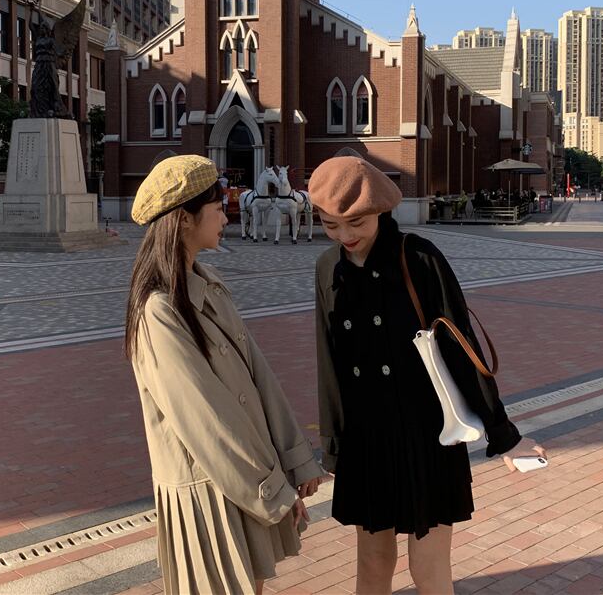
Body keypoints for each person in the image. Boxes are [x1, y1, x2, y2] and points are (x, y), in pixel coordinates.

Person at [308, 156, 546, 595]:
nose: (345, 236)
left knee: (429, 566)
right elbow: (330, 360)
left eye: (356, 222)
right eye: (330, 225)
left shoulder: (418, 257)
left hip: (425, 433)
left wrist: (504, 434)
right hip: (366, 437)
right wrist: (334, 447)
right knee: (372, 562)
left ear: (380, 209)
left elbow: (461, 346)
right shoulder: (328, 268)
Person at [125, 155, 325, 595]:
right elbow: (205, 418)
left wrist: (294, 456)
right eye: (217, 207)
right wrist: (271, 489)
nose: (226, 216)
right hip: (209, 486)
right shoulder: (158, 310)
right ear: (183, 219)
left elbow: (258, 375)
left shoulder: (207, 282)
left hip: (243, 475)